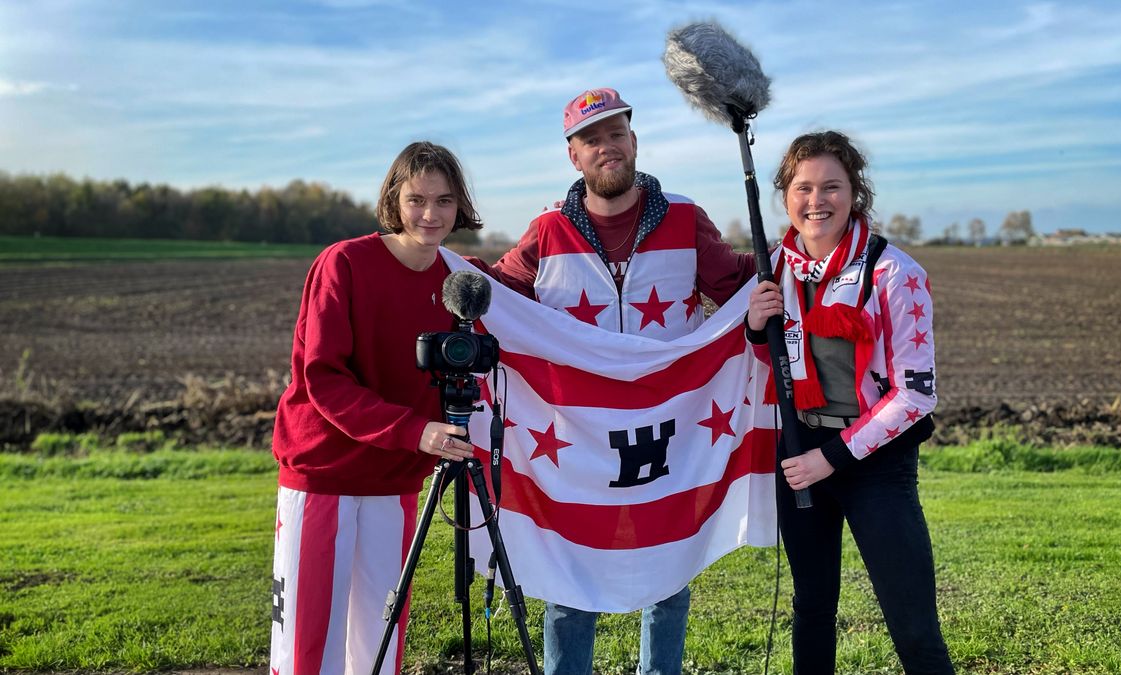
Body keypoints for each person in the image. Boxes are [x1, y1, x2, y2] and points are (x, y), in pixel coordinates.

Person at [487, 87, 758, 675]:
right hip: (577, 442)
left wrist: (797, 253)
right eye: (591, 139)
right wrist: (436, 271)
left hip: (670, 434)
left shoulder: (685, 218)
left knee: (669, 574)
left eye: (616, 133)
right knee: (571, 579)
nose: (606, 146)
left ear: (634, 141)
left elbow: (737, 284)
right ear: (573, 155)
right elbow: (495, 294)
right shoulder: (547, 231)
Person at [269, 141, 487, 675]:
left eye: (444, 200)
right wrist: (414, 431)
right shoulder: (344, 262)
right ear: (394, 199)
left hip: (395, 480)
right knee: (308, 643)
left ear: (459, 204)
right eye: (417, 200)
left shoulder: (457, 281)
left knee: (381, 641)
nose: (430, 214)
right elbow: (323, 378)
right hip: (326, 472)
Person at [746, 130, 954, 674]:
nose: (816, 200)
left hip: (875, 465)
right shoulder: (774, 269)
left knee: (912, 624)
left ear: (855, 192)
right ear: (785, 196)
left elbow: (915, 395)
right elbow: (779, 365)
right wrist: (755, 328)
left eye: (831, 186)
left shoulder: (894, 272)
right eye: (803, 187)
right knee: (812, 608)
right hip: (799, 451)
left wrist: (832, 457)